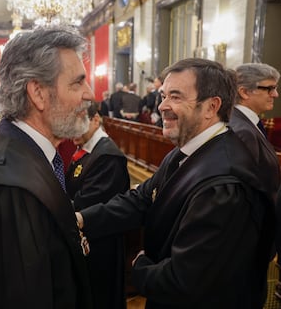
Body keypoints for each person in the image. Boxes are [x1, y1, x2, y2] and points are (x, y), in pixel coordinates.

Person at [76, 58, 274, 309]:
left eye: (176, 97)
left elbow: (184, 280)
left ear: (211, 107)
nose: (162, 106)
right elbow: (142, 199)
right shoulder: (186, 150)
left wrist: (137, 265)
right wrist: (82, 219)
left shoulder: (224, 186)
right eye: (163, 95)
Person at [0, 26, 94, 309]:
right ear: (38, 93)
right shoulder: (8, 191)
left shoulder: (26, 152)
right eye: (77, 83)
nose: (89, 94)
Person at [65, 101, 130, 309]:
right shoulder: (86, 150)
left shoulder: (107, 156)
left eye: (78, 124)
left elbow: (87, 201)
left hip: (101, 246)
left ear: (95, 120)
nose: (73, 131)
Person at [228, 63, 281, 299]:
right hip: (245, 246)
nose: (275, 94)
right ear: (244, 91)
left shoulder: (246, 123)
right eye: (269, 89)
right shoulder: (242, 130)